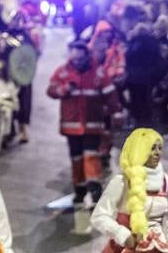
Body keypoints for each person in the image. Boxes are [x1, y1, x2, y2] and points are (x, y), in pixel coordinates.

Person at [46, 36, 119, 214]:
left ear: (87, 56)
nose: (77, 61)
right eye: (74, 58)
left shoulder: (99, 73)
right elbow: (51, 90)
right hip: (71, 126)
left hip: (93, 124)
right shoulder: (63, 72)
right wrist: (64, 90)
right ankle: (79, 190)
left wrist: (115, 113)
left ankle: (94, 189)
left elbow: (110, 95)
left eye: (80, 58)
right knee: (76, 158)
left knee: (90, 156)